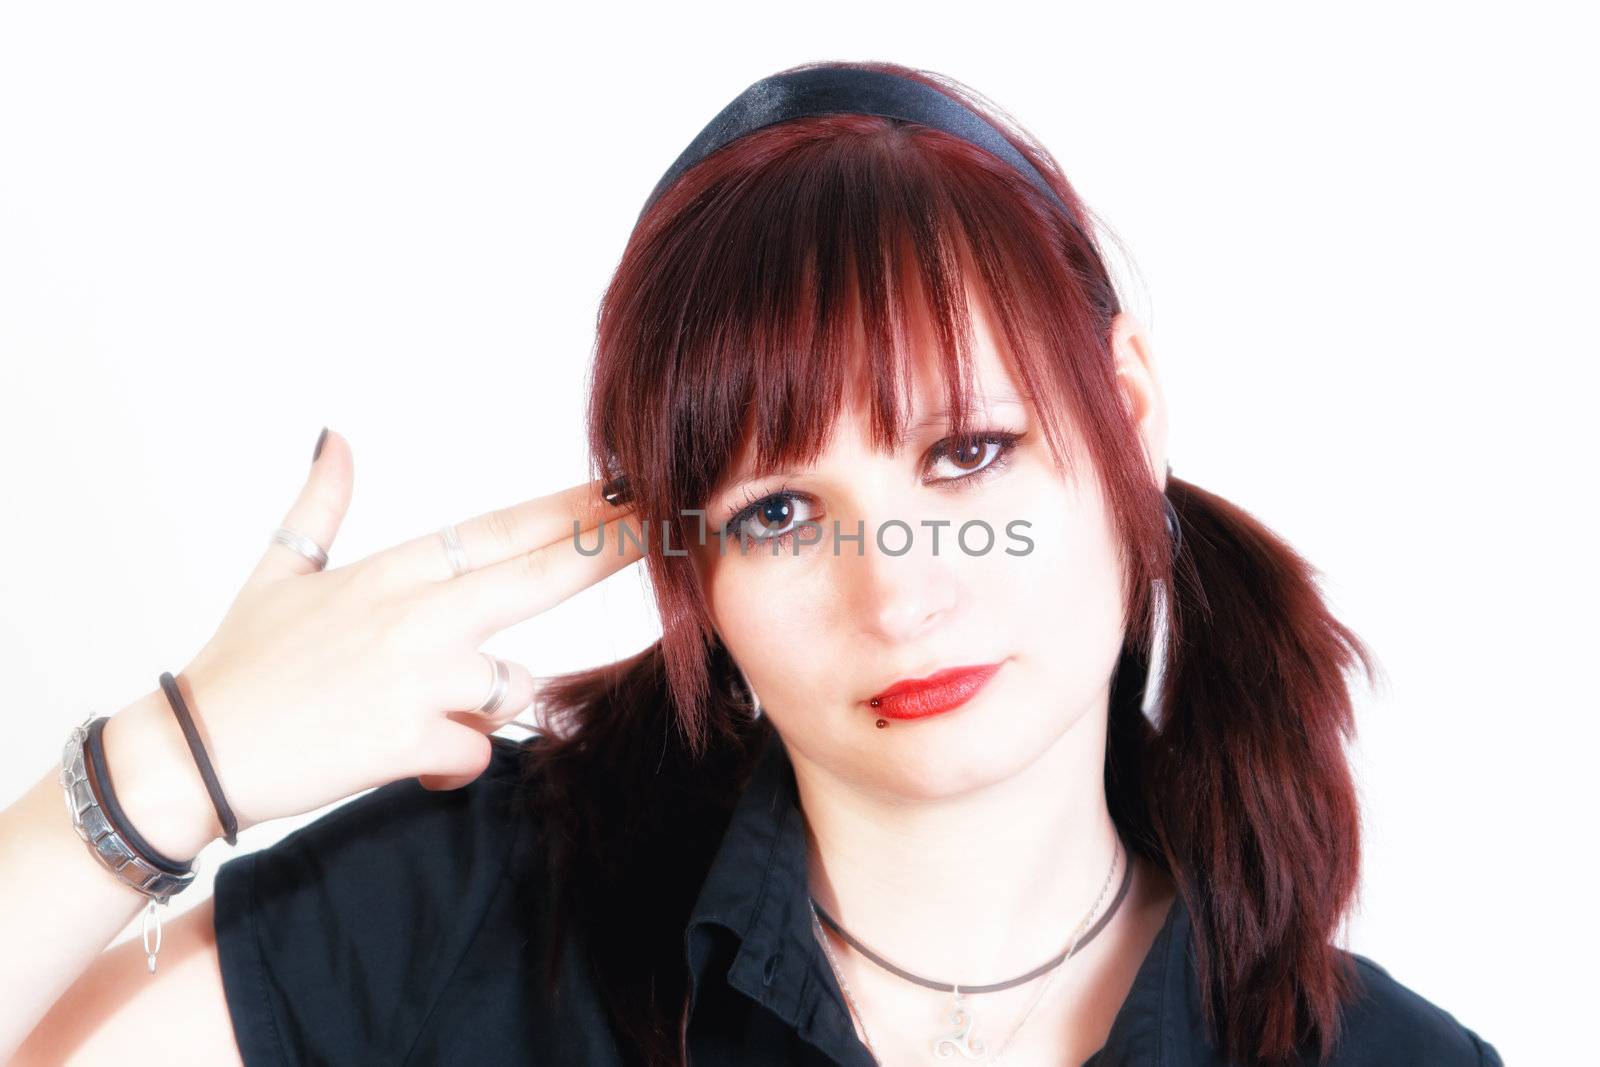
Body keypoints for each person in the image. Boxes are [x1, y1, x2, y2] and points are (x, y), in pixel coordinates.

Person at [3, 60, 1503, 1066]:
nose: (899, 592)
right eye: (779, 513)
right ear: (691, 576)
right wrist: (171, 768)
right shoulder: (472, 912)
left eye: (966, 453)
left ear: (1127, 410)